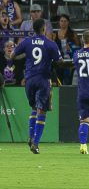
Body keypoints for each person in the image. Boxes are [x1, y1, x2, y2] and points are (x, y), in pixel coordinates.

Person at [11, 17, 61, 154]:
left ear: (33, 29)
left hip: (29, 80)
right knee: (42, 110)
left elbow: (12, 56)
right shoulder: (50, 44)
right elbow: (59, 61)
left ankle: (30, 136)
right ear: (44, 29)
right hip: (43, 79)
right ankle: (36, 143)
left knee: (34, 107)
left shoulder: (27, 42)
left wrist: (24, 58)